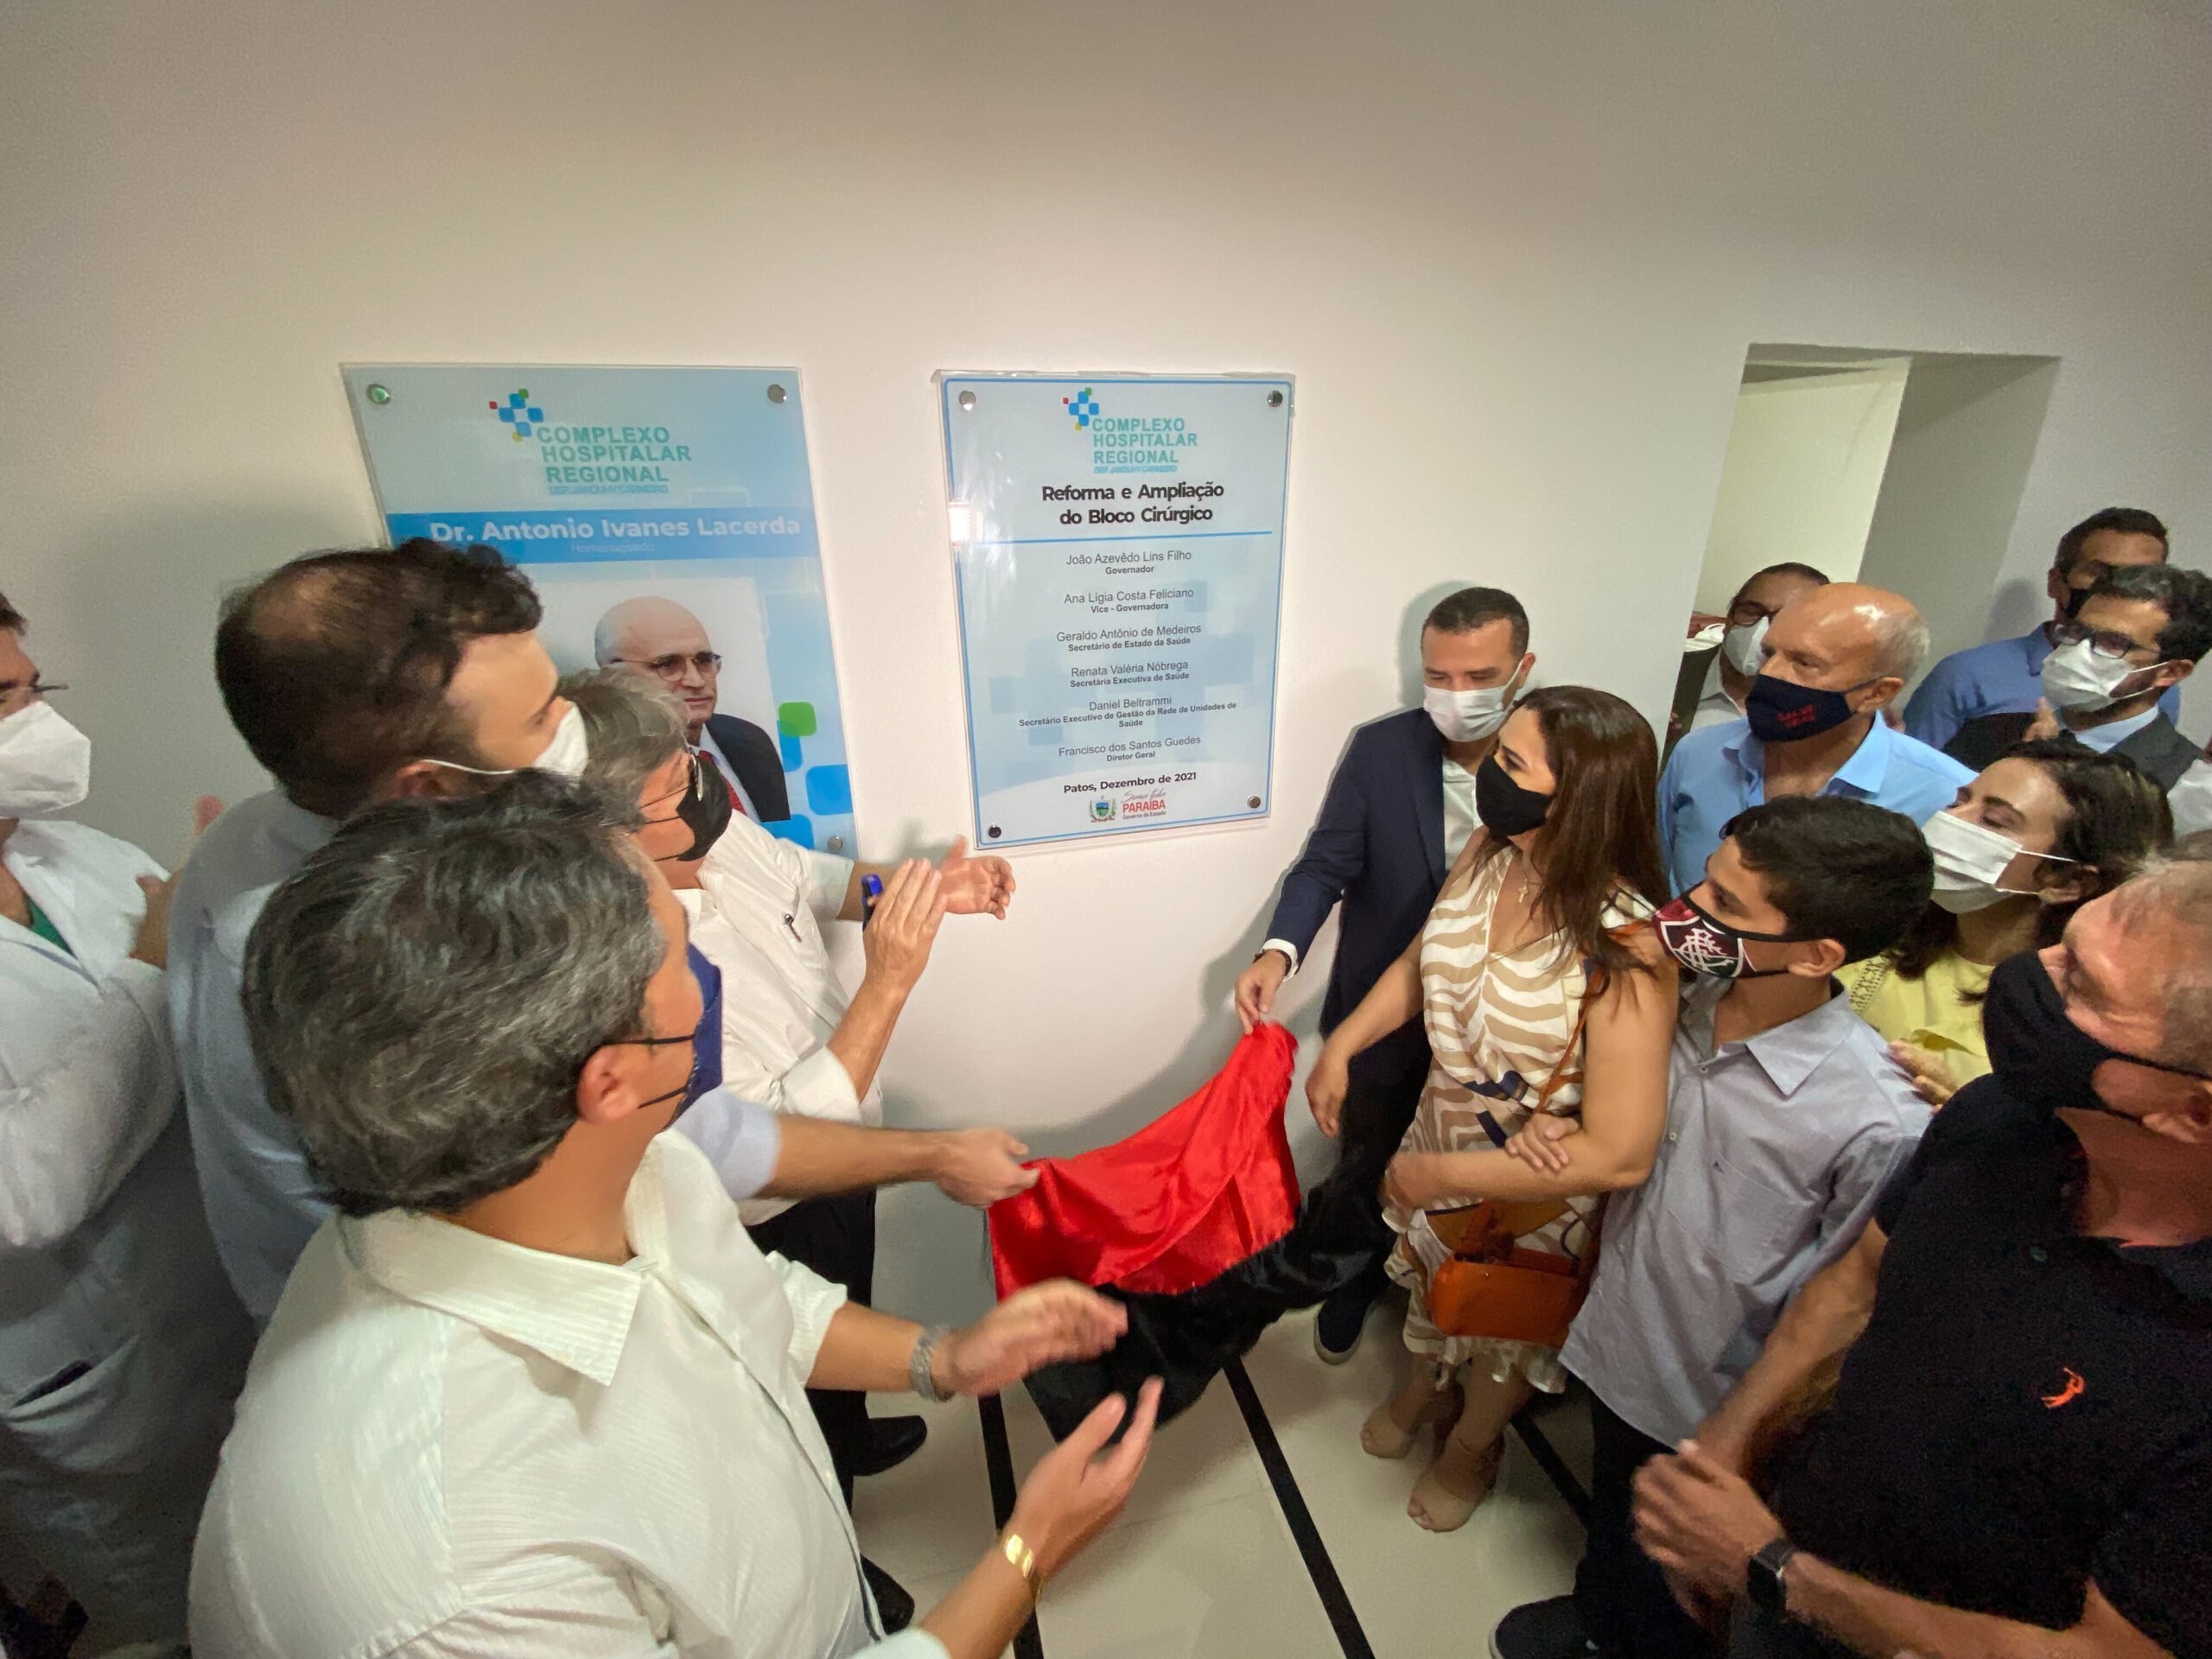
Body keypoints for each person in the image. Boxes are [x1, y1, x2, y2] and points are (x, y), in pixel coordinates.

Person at [191, 774, 1161, 1659]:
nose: (708, 975)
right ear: (609, 1077)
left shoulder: (610, 1165)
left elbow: (744, 1305)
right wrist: (1027, 1553)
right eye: (685, 953)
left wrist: (941, 1359)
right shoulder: (448, 1579)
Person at [1629, 863, 2212, 1659]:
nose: (2028, 974)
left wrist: (1773, 1571)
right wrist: (1724, 1459)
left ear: (2192, 1112)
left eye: (2080, 984)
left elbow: (2110, 1652)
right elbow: (1855, 1285)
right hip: (1795, 1554)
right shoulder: (2003, 1114)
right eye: (2062, 945)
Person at [565, 669, 1028, 1555]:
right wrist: (888, 983)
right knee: (784, 1383)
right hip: (768, 1201)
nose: (700, 789)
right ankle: (833, 1538)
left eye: (689, 763)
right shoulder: (637, 963)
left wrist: (927, 890)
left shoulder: (714, 827)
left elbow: (810, 879)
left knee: (846, 1307)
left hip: (848, 1155)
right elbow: (764, 1140)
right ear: (610, 831)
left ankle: (850, 1435)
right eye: (671, 789)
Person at [1489, 797, 1934, 1659]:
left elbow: (1842, 1304)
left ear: (1816, 955)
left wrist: (1746, 1433)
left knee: (1674, 1580)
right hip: (1616, 1333)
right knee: (1614, 1511)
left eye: (1726, 905)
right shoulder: (1682, 1000)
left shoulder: (1877, 1121)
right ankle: (1596, 1617)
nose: (1687, 909)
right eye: (1705, 881)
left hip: (1712, 1393)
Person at [168, 539, 594, 1322]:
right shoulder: (353, 950)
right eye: (540, 718)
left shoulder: (253, 828)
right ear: (424, 787)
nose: (570, 724)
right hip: (428, 1314)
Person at [1308, 686, 1678, 1531]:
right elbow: (1422, 960)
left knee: (1501, 1318)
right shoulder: (1491, 848)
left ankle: (1473, 1444)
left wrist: (1439, 1175)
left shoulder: (1628, 946)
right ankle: (1422, 1388)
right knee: (1428, 1279)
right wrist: (1343, 1046)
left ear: (1579, 796)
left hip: (1531, 1177)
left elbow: (1622, 1152)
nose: (1489, 773)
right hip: (1438, 1121)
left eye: (1512, 763)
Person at [0, 594, 254, 1646]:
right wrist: (154, 969)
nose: (39, 726)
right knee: (184, 1624)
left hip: (219, 1301)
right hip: (93, 1378)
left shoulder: (78, 853)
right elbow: (24, 1192)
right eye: (2, 702)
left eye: (33, 692)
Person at [1234, 585, 1537, 1363]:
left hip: (1500, 1027)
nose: (1456, 696)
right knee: (1369, 1156)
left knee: (1477, 1172)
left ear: (1523, 669)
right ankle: (1355, 1276)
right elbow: (1326, 864)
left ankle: (1446, 1295)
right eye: (1439, 676)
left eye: (1479, 678)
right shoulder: (1383, 749)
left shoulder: (1558, 759)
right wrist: (1278, 951)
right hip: (1381, 1006)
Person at [1840, 741, 2169, 1105]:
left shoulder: (2072, 1024)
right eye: (1958, 802)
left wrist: (1971, 1116)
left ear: (2067, 881)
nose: (1953, 820)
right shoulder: (1878, 922)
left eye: (1993, 821)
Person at [1657, 583, 1970, 897]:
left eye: (1804, 662)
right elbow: (1658, 883)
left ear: (1877, 693)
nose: (1770, 673)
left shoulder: (1946, 798)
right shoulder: (1699, 753)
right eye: (1768, 653)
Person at [1904, 507, 2180, 753]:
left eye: (2141, 578)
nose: (2119, 591)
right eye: (2101, 574)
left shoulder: (2151, 684)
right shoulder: (1966, 675)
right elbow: (1906, 774)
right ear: (2056, 582)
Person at [1946, 562, 2212, 786]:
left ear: (2170, 671)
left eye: (2114, 642)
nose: (2080, 651)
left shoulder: (2186, 783)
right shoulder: (1988, 732)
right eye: (2078, 632)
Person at [597, 594, 788, 820]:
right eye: (668, 664)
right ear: (614, 676)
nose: (696, 681)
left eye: (704, 660)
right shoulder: (600, 770)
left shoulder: (749, 739)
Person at [1668, 564, 1831, 748]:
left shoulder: (1825, 703)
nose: (1761, 630)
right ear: (1729, 618)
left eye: (1785, 617)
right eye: (1751, 612)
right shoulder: (1670, 677)